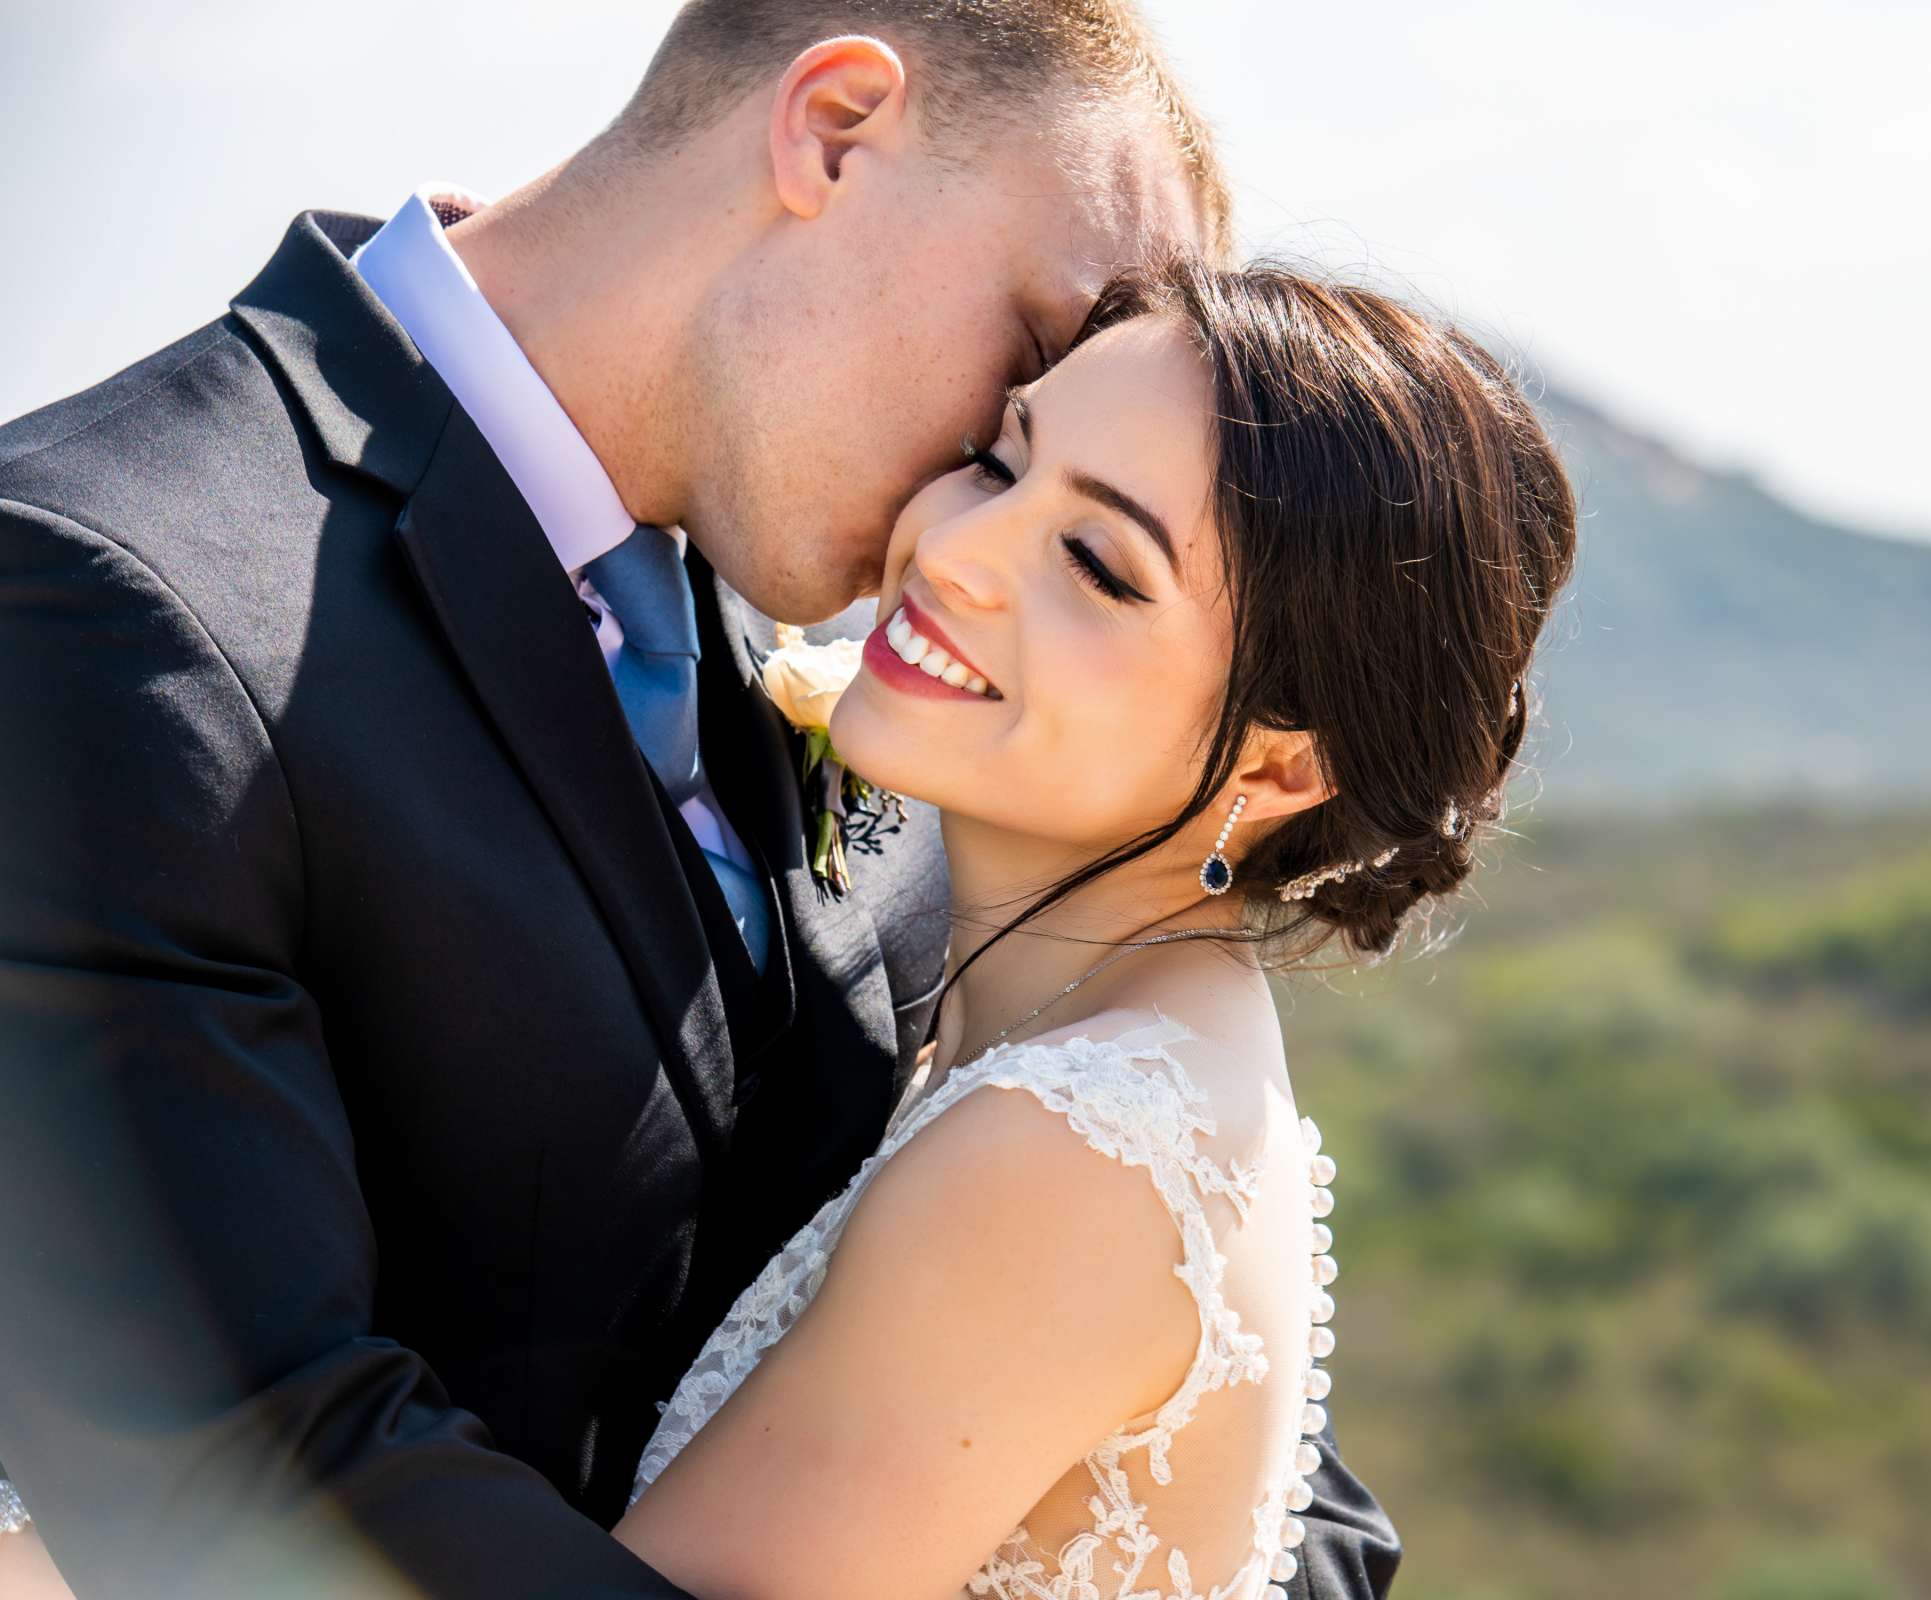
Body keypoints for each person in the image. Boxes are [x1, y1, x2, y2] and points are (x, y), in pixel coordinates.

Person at [0, 4, 1398, 1596]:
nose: (968, 517)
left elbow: (1185, 1385)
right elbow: (237, 1460)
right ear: (835, 129)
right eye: (1026, 369)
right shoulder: (104, 595)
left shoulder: (878, 679)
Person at [608, 260, 1579, 1598]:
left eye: (1093, 563)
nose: (952, 552)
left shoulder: (1072, 1151)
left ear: (1288, 767)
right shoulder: (1147, 1057)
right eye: (1002, 463)